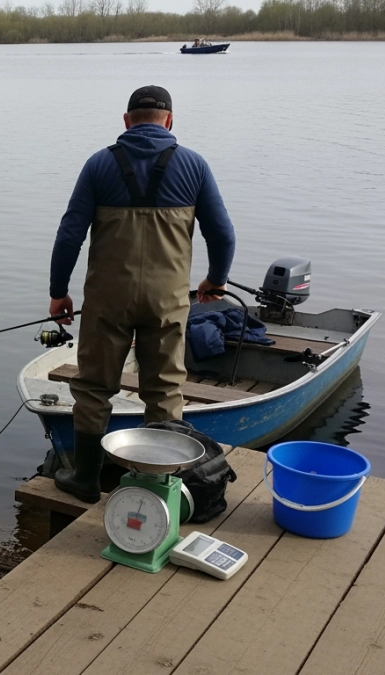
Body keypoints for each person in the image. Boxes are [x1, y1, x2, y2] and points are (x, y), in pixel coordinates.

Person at [46, 85, 235, 503]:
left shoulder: (99, 165)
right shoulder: (194, 165)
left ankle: (86, 479)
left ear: (127, 120)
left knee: (94, 387)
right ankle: (158, 487)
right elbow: (222, 233)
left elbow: (69, 234)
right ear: (169, 120)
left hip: (108, 299)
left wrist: (58, 291)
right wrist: (215, 280)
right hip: (168, 300)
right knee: (165, 388)